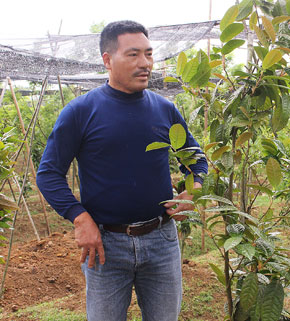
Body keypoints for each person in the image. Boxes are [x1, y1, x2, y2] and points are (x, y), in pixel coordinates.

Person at [36, 20, 208, 321]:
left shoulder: (164, 109)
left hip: (161, 240)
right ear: (107, 60)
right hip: (105, 246)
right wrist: (79, 218)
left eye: (149, 54)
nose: (145, 63)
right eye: (133, 55)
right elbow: (48, 174)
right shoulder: (80, 112)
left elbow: (196, 161)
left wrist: (192, 190)